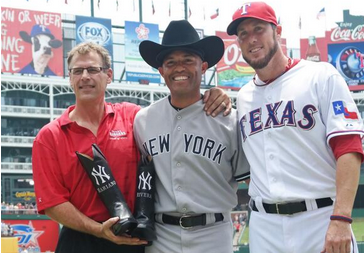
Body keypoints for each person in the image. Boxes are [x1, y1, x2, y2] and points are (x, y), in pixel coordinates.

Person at [32, 42, 231, 253]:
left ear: (109, 75)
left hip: (131, 238)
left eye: (92, 69)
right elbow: (53, 203)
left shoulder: (133, 117)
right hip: (80, 239)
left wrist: (213, 95)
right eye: (77, 71)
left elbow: (176, 112)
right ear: (70, 77)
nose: (85, 77)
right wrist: (99, 229)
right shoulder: (49, 136)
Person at [227, 2, 364, 253]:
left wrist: (341, 218)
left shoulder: (321, 75)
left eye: (258, 29)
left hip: (320, 218)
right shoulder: (244, 96)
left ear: (277, 31)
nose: (251, 39)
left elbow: (349, 147)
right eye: (243, 34)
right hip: (264, 225)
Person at [135, 20, 250, 253]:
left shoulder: (230, 118)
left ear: (204, 66)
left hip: (214, 234)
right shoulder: (142, 120)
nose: (179, 68)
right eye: (171, 62)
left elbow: (250, 180)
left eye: (188, 60)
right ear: (161, 71)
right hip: (161, 238)